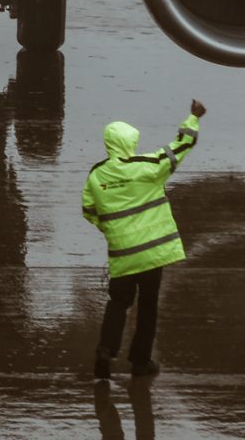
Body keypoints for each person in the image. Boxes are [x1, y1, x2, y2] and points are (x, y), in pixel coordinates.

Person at [82, 99, 204, 382]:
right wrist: (193, 118)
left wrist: (114, 229)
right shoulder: (147, 167)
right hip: (152, 252)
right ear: (130, 143)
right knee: (148, 306)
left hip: (123, 252)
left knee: (118, 303)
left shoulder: (96, 175)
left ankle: (105, 350)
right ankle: (140, 362)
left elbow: (89, 210)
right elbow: (180, 147)